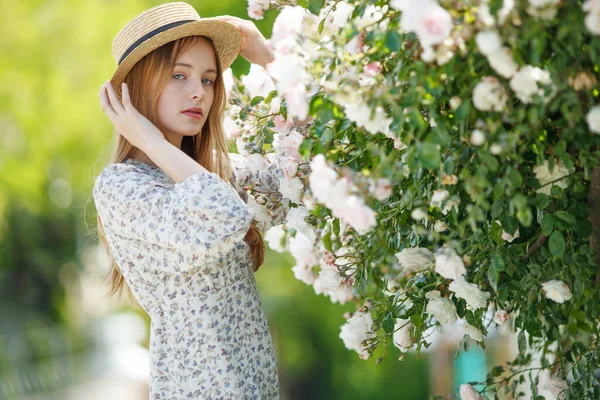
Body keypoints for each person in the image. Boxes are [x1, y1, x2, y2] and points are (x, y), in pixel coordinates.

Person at [93, 2, 285, 398]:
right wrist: (147, 138)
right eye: (179, 75)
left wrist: (270, 60)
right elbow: (224, 214)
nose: (199, 91)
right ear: (138, 87)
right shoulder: (122, 188)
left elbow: (302, 171)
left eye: (209, 79)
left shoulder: (213, 175)